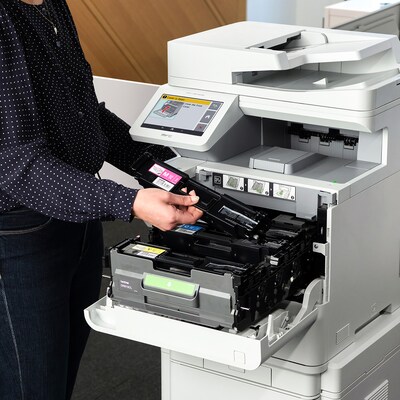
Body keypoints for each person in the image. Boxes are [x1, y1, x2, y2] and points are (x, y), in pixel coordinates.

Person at [0, 0, 203, 399]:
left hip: (79, 214)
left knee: (61, 373)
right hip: (21, 232)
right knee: (33, 386)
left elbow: (84, 115)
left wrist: (166, 171)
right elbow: (15, 160)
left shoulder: (51, 5)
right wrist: (130, 202)